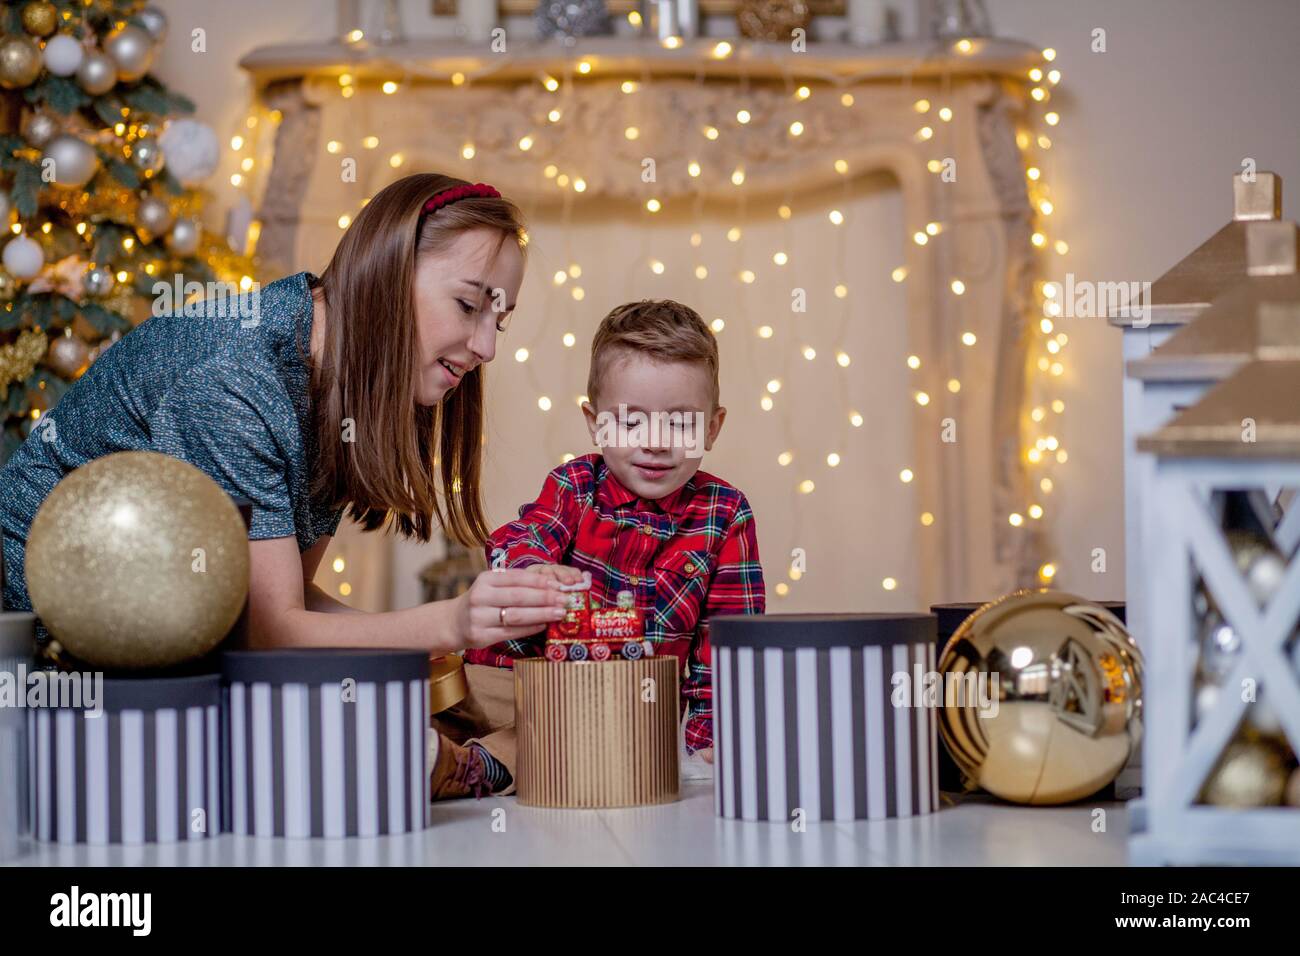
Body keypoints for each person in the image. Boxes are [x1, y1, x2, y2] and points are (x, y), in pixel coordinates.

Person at [0, 173, 581, 656]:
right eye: (468, 305)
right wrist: (450, 624)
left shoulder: (336, 377)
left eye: (498, 320)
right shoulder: (235, 380)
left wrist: (447, 642)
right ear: (385, 274)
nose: (487, 348)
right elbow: (273, 633)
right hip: (48, 651)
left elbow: (284, 602)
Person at [430, 298, 767, 799]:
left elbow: (726, 645)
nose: (655, 442)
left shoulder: (725, 514)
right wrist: (535, 570)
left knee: (584, 727)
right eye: (630, 422)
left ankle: (475, 768)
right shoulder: (574, 487)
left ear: (712, 428)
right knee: (437, 691)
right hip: (512, 680)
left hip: (621, 707)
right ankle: (404, 747)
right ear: (595, 422)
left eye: (680, 423)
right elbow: (521, 538)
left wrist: (708, 742)